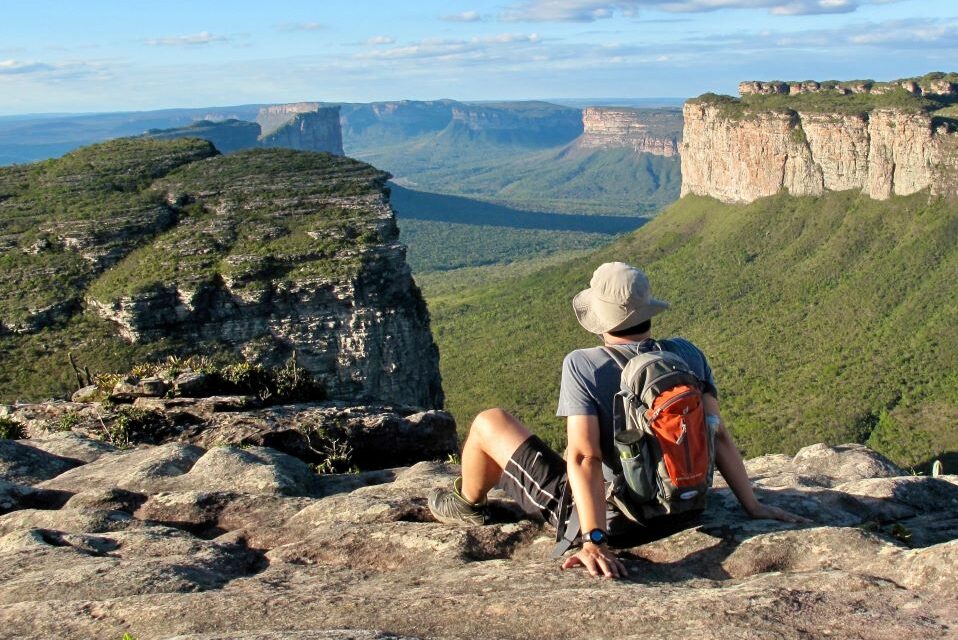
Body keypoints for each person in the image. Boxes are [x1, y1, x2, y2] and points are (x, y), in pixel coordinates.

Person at [428, 261, 808, 579]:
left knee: (488, 422)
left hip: (619, 524)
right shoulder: (687, 354)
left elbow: (584, 458)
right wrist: (752, 506)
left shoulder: (584, 365)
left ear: (599, 318)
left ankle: (465, 504)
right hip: (685, 508)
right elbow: (717, 434)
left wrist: (594, 538)